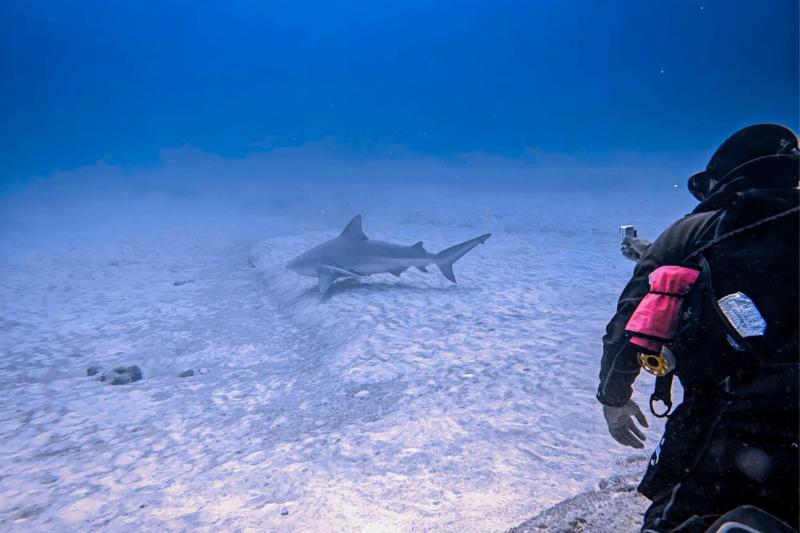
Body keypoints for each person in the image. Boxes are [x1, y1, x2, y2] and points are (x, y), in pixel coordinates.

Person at [597, 123, 800, 533]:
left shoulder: (691, 232)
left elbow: (628, 327)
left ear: (723, 179)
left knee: (674, 516)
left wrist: (613, 397)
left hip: (734, 419)